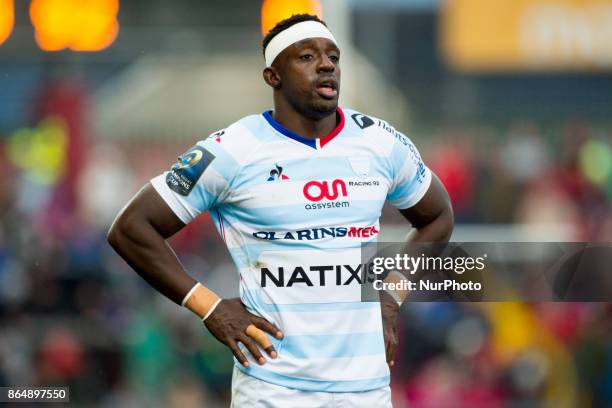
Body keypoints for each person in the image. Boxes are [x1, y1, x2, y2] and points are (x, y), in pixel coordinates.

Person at [107, 13, 453, 407]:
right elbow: (131, 228)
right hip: (273, 391)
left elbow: (438, 218)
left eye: (332, 57)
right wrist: (211, 308)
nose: (326, 65)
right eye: (306, 57)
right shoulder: (233, 150)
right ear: (273, 76)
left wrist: (392, 296)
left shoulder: (380, 142)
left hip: (366, 391)